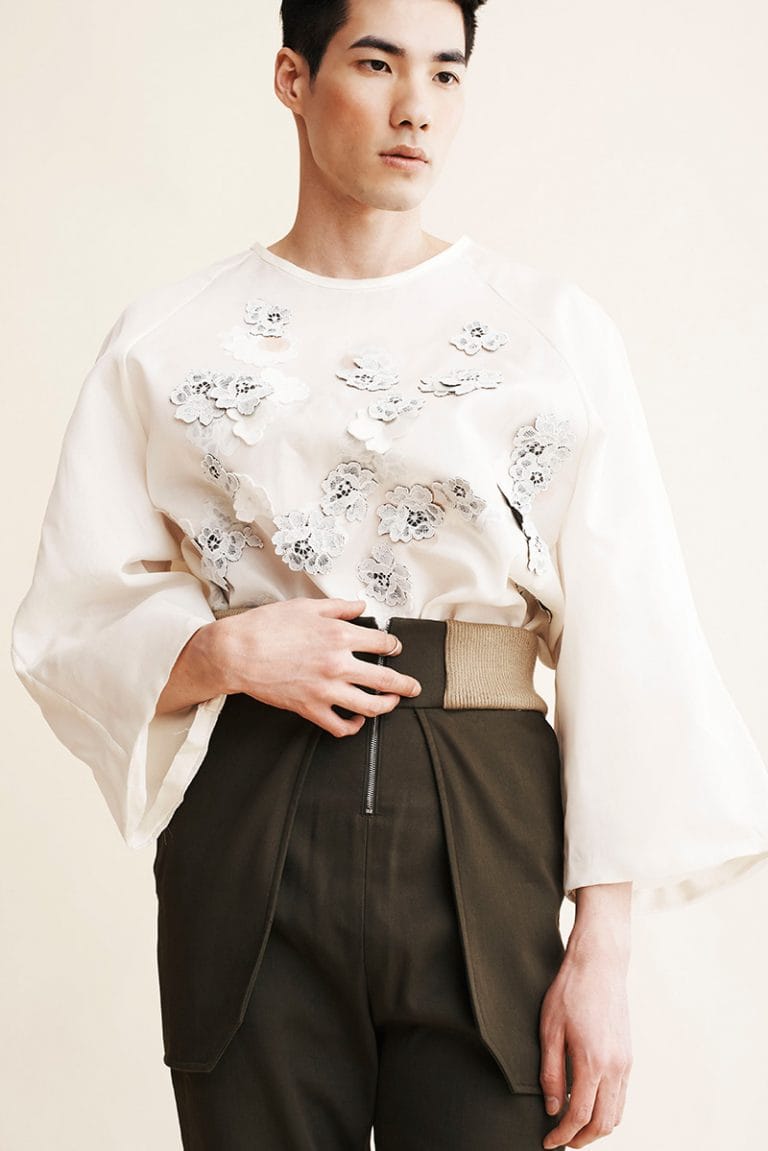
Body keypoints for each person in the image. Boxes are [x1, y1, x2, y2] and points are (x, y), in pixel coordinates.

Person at [10, 0, 768, 1148]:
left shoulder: (551, 332)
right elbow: (70, 617)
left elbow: (632, 634)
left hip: (488, 806)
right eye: (376, 63)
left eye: (446, 73)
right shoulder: (168, 338)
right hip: (251, 812)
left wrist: (603, 948)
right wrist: (219, 649)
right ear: (292, 77)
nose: (417, 107)